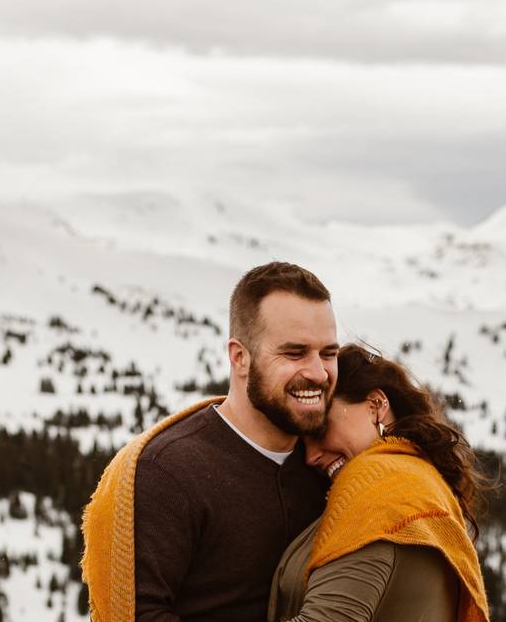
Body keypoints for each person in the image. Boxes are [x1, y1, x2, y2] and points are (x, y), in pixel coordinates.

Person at [81, 262, 340, 622]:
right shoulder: (169, 472)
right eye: (295, 353)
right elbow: (140, 614)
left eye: (328, 353)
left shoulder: (329, 464)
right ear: (240, 357)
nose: (318, 372)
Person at [268, 344, 491, 622]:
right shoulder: (417, 479)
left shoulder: (379, 486)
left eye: (321, 429)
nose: (311, 457)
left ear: (375, 406)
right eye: (304, 445)